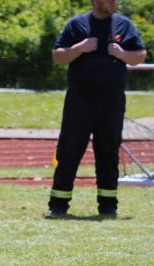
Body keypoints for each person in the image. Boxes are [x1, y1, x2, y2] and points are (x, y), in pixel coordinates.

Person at [47, 0, 146, 218]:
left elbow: (140, 55)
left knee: (109, 153)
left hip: (111, 101)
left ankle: (108, 206)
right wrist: (80, 48)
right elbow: (58, 56)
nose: (113, 3)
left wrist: (121, 54)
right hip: (79, 101)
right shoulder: (77, 25)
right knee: (69, 151)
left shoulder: (124, 25)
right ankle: (58, 205)